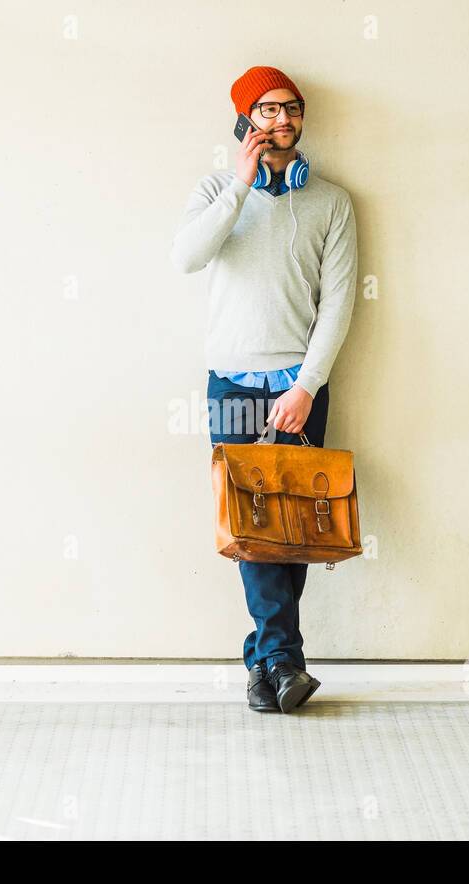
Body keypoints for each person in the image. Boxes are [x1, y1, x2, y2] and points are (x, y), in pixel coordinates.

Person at [169, 65, 359, 713]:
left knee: (295, 532)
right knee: (253, 530)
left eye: (293, 110)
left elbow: (336, 307)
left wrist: (307, 385)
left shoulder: (332, 203)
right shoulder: (215, 188)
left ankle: (268, 666)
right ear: (246, 121)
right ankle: (283, 661)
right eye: (269, 110)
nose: (283, 120)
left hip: (300, 390)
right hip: (235, 387)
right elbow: (187, 256)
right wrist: (242, 185)